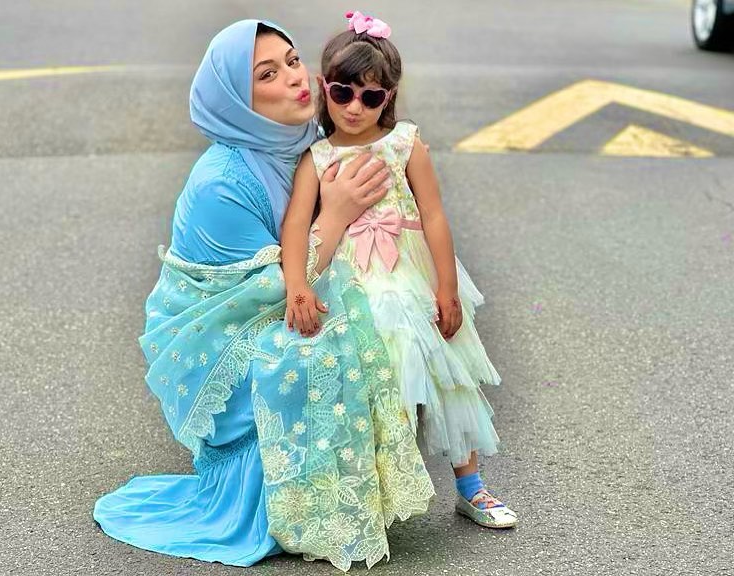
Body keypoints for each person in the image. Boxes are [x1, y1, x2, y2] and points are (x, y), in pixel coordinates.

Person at [93, 19, 433, 571]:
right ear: (238, 100)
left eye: (293, 62)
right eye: (266, 75)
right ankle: (296, 500)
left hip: (284, 302)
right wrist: (341, 213)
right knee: (320, 352)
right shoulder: (222, 183)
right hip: (224, 343)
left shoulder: (302, 142)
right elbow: (265, 292)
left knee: (381, 312)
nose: (296, 80)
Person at [280, 11, 518, 530]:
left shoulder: (406, 144)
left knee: (443, 373)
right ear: (326, 89)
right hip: (351, 281)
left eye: (371, 96)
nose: (355, 107)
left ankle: (470, 487)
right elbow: (297, 227)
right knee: (370, 381)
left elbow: (432, 215)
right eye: (343, 93)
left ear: (388, 97)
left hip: (409, 274)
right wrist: (297, 285)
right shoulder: (316, 158)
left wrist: (448, 287)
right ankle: (379, 488)